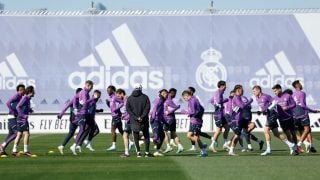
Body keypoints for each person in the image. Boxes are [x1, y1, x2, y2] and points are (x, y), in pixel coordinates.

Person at [252, 85, 294, 156]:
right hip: (268, 116)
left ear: (259, 90)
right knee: (276, 134)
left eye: (254, 91)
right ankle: (291, 144)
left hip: (273, 115)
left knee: (266, 130)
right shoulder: (257, 98)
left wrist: (268, 109)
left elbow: (275, 102)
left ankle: (268, 150)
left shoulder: (266, 96)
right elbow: (261, 107)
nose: (253, 93)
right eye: (253, 91)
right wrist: (260, 111)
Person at [291, 80, 319, 153]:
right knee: (306, 129)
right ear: (297, 85)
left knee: (307, 130)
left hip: (295, 115)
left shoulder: (293, 94)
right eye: (300, 84)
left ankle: (311, 146)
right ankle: (299, 145)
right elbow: (303, 105)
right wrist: (313, 111)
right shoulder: (302, 93)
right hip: (303, 114)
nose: (301, 85)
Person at [271, 84, 299, 155]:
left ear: (280, 89)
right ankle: (292, 148)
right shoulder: (274, 99)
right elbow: (273, 109)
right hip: (282, 120)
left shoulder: (288, 96)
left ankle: (295, 147)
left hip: (290, 118)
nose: (275, 92)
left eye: (275, 91)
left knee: (293, 133)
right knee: (288, 134)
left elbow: (294, 104)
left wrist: (287, 107)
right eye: (274, 91)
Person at [126, 84, 152, 158]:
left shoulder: (130, 98)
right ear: (140, 88)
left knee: (135, 136)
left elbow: (128, 109)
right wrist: (142, 117)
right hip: (144, 120)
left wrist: (135, 117)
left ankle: (138, 152)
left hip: (134, 120)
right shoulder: (145, 97)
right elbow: (147, 108)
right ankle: (147, 152)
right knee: (146, 136)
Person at [0, 84, 25, 156]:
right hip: (12, 117)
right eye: (23, 89)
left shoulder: (20, 97)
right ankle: (3, 145)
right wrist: (12, 111)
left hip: (13, 117)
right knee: (16, 133)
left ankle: (2, 150)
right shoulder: (16, 96)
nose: (24, 91)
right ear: (20, 90)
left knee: (10, 134)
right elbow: (8, 103)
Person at [70, 80, 94, 155]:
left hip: (85, 113)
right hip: (83, 113)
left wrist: (74, 107)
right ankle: (75, 145)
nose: (92, 88)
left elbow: (74, 98)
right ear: (88, 85)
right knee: (83, 129)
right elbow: (85, 102)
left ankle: (86, 142)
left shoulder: (82, 92)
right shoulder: (84, 92)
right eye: (91, 87)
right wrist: (93, 98)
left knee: (92, 127)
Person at [181, 90, 208, 157]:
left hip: (196, 121)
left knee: (195, 137)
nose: (184, 99)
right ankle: (202, 145)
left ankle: (203, 151)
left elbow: (193, 112)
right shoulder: (194, 99)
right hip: (194, 121)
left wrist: (185, 112)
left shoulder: (192, 101)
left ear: (187, 95)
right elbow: (200, 109)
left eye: (184, 98)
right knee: (189, 135)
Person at [228, 85, 253, 156]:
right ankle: (231, 149)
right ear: (238, 91)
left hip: (241, 118)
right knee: (238, 134)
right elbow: (242, 106)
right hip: (236, 119)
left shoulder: (239, 97)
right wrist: (250, 101)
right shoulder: (236, 98)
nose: (243, 91)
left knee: (241, 133)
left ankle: (231, 148)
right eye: (241, 90)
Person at [57, 88, 82, 155]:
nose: (81, 94)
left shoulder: (82, 100)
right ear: (77, 93)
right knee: (84, 128)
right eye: (80, 93)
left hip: (78, 118)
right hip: (74, 119)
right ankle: (76, 137)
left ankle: (61, 146)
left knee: (71, 133)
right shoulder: (73, 100)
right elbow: (66, 107)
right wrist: (60, 114)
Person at [11, 86, 35, 157]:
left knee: (19, 134)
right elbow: (17, 107)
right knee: (27, 134)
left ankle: (14, 151)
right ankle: (26, 151)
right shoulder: (25, 98)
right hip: (22, 119)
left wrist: (29, 110)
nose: (35, 93)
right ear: (30, 92)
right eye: (33, 91)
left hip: (21, 119)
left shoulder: (28, 99)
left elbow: (23, 107)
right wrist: (23, 115)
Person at [187, 86, 211, 151]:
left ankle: (203, 147)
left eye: (188, 90)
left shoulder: (195, 98)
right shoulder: (190, 99)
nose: (187, 92)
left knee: (195, 134)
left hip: (197, 119)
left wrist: (198, 115)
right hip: (193, 118)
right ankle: (195, 146)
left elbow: (201, 107)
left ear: (192, 91)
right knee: (194, 134)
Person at [209, 81, 230, 152]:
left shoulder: (218, 92)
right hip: (218, 114)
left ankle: (225, 144)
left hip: (221, 113)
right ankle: (212, 145)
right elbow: (217, 102)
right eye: (225, 86)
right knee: (219, 130)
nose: (226, 87)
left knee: (227, 127)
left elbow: (211, 101)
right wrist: (225, 100)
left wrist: (217, 105)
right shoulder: (219, 92)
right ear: (222, 86)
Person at [163, 88, 184, 154]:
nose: (175, 95)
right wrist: (177, 107)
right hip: (172, 118)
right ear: (171, 93)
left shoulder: (168, 100)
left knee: (164, 132)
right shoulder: (169, 100)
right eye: (174, 94)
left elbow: (171, 109)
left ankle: (168, 146)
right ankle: (180, 146)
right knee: (173, 133)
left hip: (167, 119)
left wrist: (170, 111)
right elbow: (175, 107)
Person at [116, 89, 134, 157]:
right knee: (132, 135)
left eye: (118, 96)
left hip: (130, 120)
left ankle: (126, 153)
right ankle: (151, 139)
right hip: (130, 119)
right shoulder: (127, 99)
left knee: (125, 135)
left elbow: (130, 110)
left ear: (122, 94)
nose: (118, 97)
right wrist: (124, 116)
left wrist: (126, 117)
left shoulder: (126, 99)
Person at [106, 85, 124, 151]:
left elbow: (123, 102)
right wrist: (107, 103)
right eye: (107, 90)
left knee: (112, 130)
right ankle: (130, 142)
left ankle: (114, 146)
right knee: (121, 130)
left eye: (109, 90)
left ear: (113, 90)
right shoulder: (110, 98)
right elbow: (111, 108)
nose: (107, 91)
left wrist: (117, 108)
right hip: (115, 116)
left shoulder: (115, 97)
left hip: (116, 116)